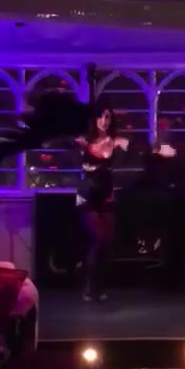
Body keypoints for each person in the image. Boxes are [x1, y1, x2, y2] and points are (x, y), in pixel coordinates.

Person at [76, 104, 129, 302]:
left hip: (106, 195)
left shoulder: (117, 141)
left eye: (107, 117)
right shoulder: (84, 141)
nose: (104, 121)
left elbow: (135, 152)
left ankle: (100, 287)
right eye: (100, 117)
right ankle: (89, 287)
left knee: (107, 241)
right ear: (95, 119)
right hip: (86, 195)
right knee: (97, 239)